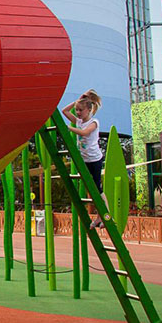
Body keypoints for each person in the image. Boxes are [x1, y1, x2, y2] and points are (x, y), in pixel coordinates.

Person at [62, 90, 103, 226]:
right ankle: (99, 216)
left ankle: (105, 214)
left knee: (97, 188)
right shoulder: (79, 122)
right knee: (90, 189)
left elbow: (85, 133)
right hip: (85, 159)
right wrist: (79, 99)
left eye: (80, 110)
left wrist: (69, 128)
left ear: (89, 110)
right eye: (77, 110)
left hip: (94, 159)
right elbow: (64, 111)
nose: (77, 113)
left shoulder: (93, 122)